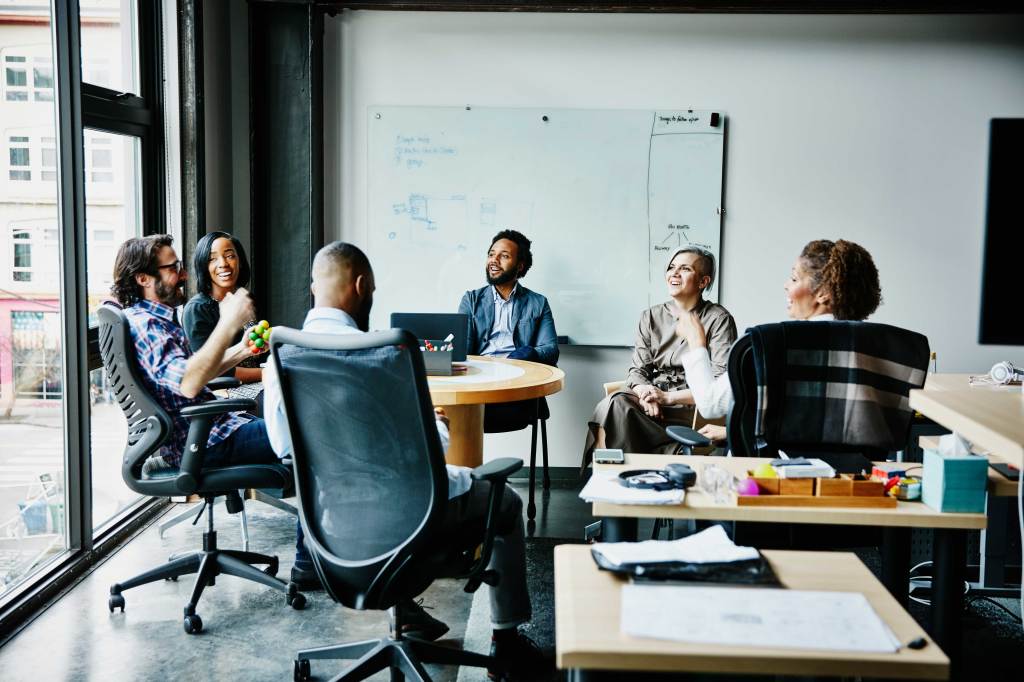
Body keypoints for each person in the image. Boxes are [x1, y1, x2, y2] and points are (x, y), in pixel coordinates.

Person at [263, 242, 549, 678]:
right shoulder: (381, 355)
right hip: (411, 522)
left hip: (332, 529)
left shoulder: (281, 356)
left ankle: (409, 614)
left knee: (389, 495)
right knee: (504, 500)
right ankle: (505, 641)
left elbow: (286, 449)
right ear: (361, 286)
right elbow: (427, 454)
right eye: (372, 290)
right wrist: (434, 422)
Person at [109, 234, 315, 587]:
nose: (182, 274)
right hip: (204, 441)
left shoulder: (152, 317)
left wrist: (239, 351)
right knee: (313, 435)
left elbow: (194, 372)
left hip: (212, 429)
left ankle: (315, 557)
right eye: (172, 268)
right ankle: (308, 566)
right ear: (143, 278)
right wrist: (230, 321)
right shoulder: (148, 326)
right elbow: (190, 383)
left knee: (300, 426)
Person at [677, 238, 883, 442]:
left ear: (823, 294)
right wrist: (732, 431)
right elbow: (826, 423)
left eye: (794, 279)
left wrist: (696, 342)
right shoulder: (879, 349)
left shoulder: (771, 344)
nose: (786, 285)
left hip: (776, 472)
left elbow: (710, 405)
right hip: (862, 473)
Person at [583, 246, 737, 465]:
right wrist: (645, 393)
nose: (674, 273)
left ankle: (627, 473)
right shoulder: (650, 316)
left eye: (685, 269)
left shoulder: (718, 319)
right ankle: (617, 475)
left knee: (613, 407)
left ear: (703, 282)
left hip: (691, 407)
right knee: (614, 403)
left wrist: (667, 398)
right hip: (652, 400)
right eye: (671, 267)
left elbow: (720, 381)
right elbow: (638, 370)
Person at [182, 231, 262, 384]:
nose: (223, 264)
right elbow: (208, 371)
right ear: (203, 266)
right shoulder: (197, 309)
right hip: (225, 391)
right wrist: (265, 373)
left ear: (240, 261)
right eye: (212, 259)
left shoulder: (246, 299)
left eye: (230, 256)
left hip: (259, 381)